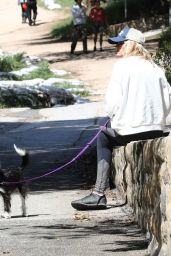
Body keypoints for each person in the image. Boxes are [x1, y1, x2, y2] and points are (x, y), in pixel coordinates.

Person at [71, 26, 171, 210]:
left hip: (131, 132)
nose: (117, 47)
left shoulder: (122, 67)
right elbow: (168, 102)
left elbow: (112, 104)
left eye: (120, 44)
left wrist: (113, 118)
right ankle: (99, 194)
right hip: (157, 130)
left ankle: (99, 194)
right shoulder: (157, 69)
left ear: (131, 45)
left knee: (102, 137)